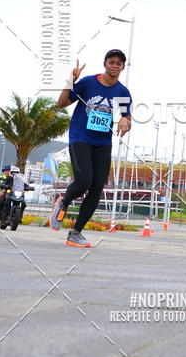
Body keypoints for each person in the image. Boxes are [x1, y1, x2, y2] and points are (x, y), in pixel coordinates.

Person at [50, 50, 132, 247]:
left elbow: (127, 119)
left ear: (122, 67)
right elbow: (61, 104)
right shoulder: (88, 83)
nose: (115, 65)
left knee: (96, 188)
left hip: (103, 143)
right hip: (81, 138)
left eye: (119, 63)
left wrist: (125, 121)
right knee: (84, 181)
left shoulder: (122, 92)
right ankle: (64, 202)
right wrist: (70, 81)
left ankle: (75, 232)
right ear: (105, 64)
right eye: (111, 62)